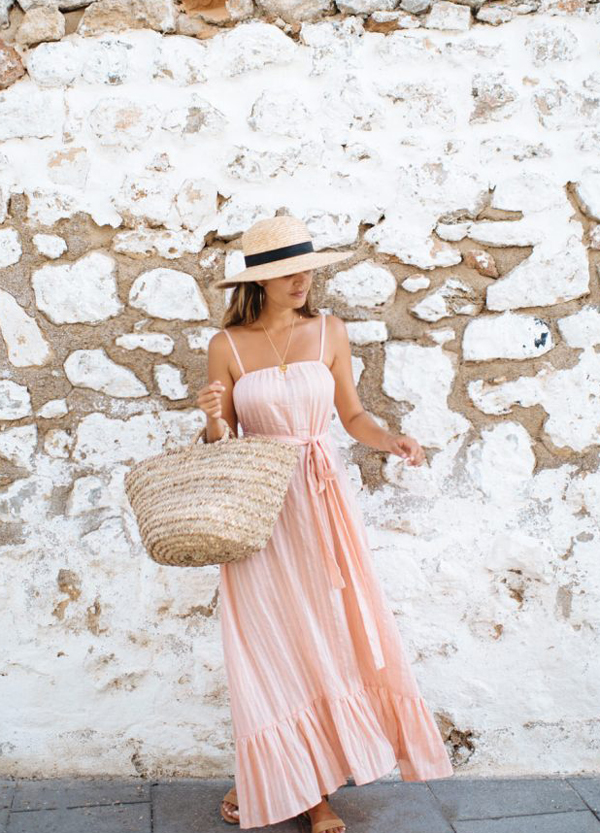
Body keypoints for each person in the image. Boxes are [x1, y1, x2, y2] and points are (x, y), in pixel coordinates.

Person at [196, 215, 454, 832]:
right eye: (287, 272)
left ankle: (308, 782)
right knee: (272, 644)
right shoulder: (225, 347)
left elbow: (353, 415)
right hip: (261, 514)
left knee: (333, 633)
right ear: (259, 280)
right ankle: (307, 794)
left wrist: (390, 440)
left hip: (322, 504)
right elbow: (221, 444)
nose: (301, 280)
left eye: (306, 268)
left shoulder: (329, 332)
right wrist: (210, 419)